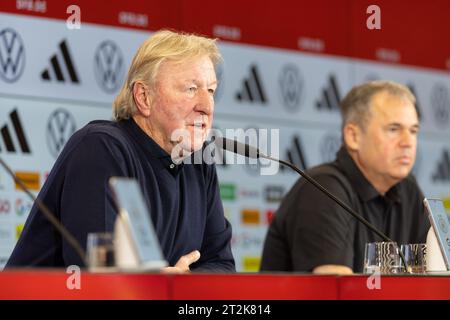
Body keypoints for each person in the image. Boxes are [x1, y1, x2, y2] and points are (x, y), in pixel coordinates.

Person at [7, 30, 235, 272]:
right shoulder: (101, 148)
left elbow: (221, 265)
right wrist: (160, 286)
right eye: (191, 89)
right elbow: (99, 273)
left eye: (210, 90)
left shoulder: (198, 162)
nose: (206, 106)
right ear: (144, 97)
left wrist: (181, 287)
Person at [260, 80, 430, 274]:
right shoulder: (323, 189)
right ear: (353, 136)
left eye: (413, 131)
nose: (408, 142)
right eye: (393, 129)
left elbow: (434, 277)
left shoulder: (409, 190)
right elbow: (337, 290)